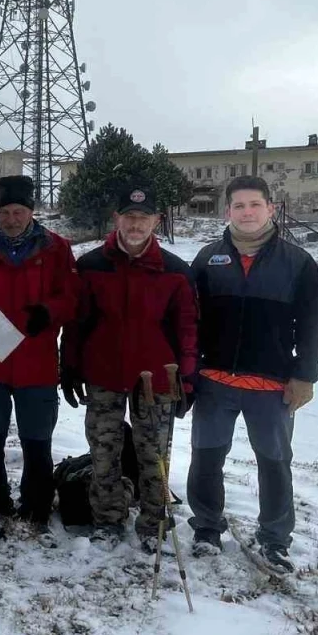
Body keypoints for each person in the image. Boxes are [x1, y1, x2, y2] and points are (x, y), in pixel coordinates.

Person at [186, 175, 318, 573]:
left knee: (275, 462)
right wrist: (190, 369)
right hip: (215, 382)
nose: (247, 213)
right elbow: (189, 319)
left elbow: (312, 323)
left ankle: (275, 539)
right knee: (206, 458)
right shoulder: (208, 259)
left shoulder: (297, 263)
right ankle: (207, 529)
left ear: (270, 207)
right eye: (239, 206)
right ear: (227, 210)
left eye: (254, 205)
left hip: (272, 386)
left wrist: (306, 375)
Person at [60, 185, 198, 552]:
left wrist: (187, 378)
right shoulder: (91, 265)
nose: (136, 224)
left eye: (144, 217)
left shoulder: (174, 271)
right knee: (104, 453)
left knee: (154, 457)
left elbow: (187, 329)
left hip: (155, 381)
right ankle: (108, 519)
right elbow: (76, 322)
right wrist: (69, 364)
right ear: (117, 219)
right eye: (129, 217)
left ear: (156, 220)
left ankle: (154, 524)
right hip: (103, 375)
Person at [0, 175, 79, 541]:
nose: (11, 218)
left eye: (18, 211)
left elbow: (71, 296)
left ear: (31, 211)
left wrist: (48, 312)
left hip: (35, 360)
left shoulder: (56, 249)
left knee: (37, 436)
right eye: (4, 212)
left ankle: (36, 506)